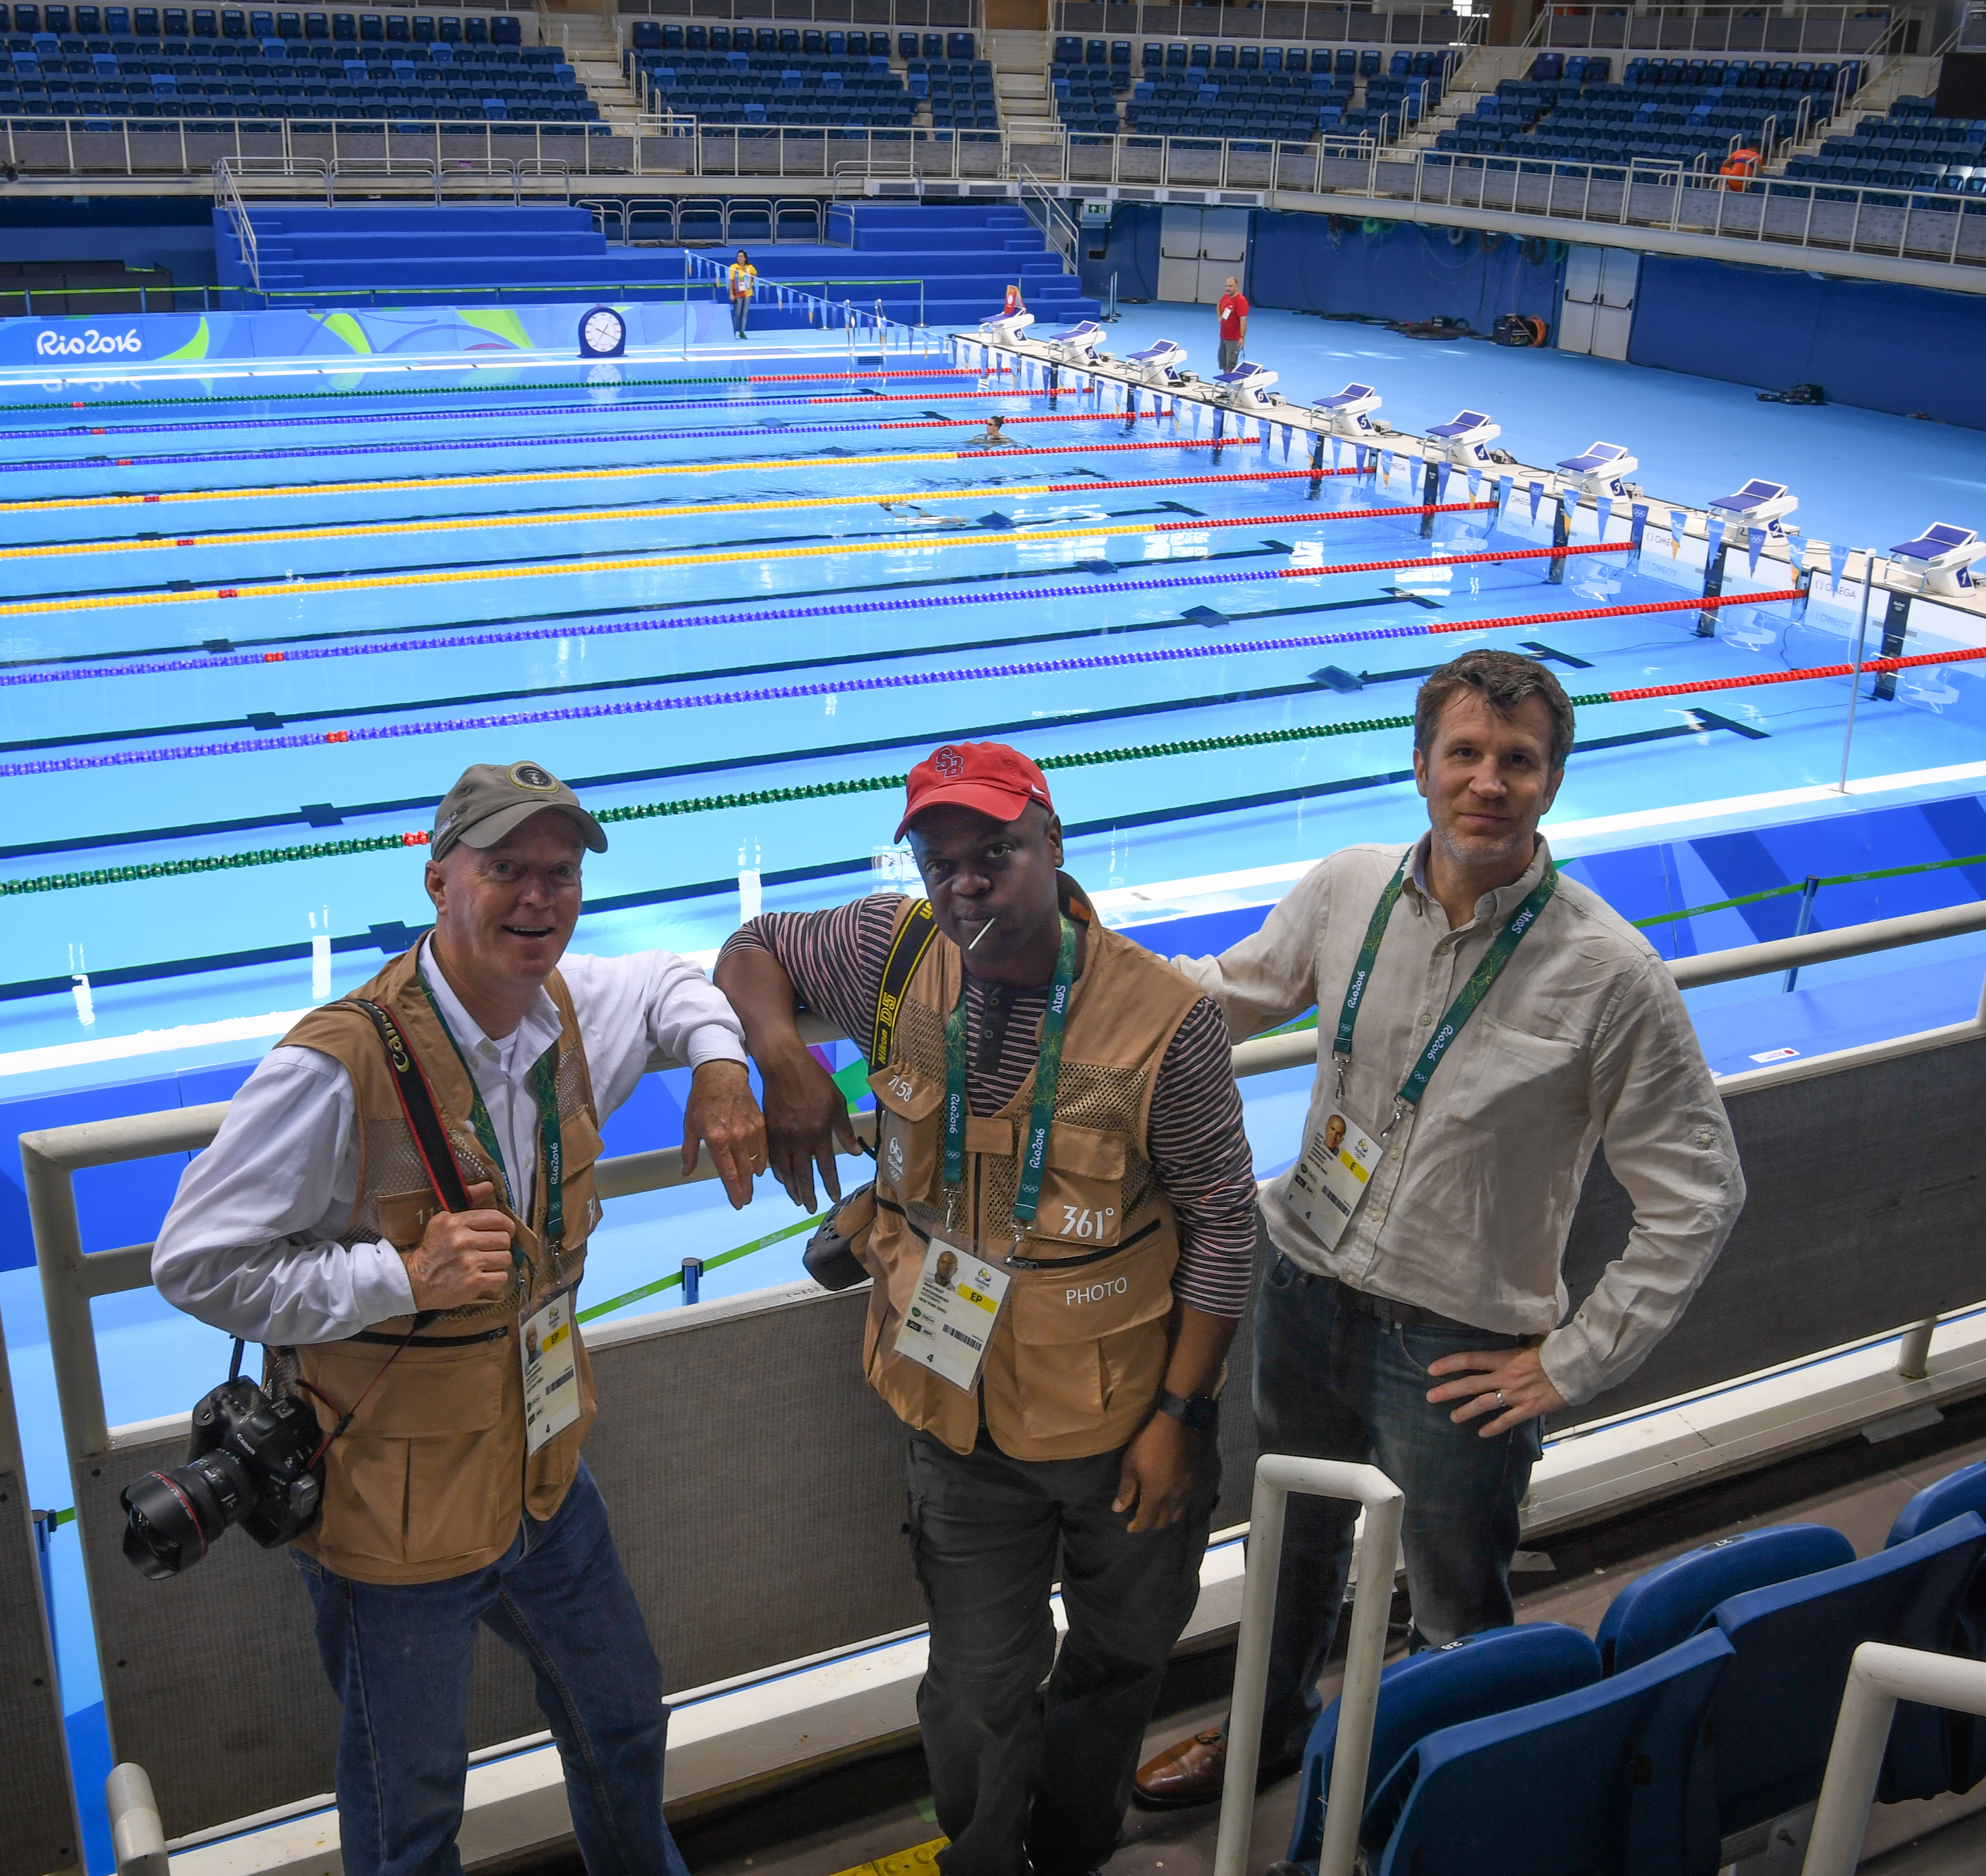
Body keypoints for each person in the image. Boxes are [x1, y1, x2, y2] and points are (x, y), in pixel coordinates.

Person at [1131, 648, 1746, 1810]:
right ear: (1421, 766)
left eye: (1517, 761)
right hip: (1304, 1290)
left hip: (1458, 1346)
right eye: (1463, 752)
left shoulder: (1608, 974)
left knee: (1456, 1595)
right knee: (1288, 1550)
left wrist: (1571, 1362)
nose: (1487, 781)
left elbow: (1698, 1190)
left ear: (1551, 785)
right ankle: (1264, 1736)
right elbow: (1232, 993)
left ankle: (1435, 1797)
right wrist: (1084, 971)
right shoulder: (1349, 886)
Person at [152, 759, 772, 1876]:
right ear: (440, 878)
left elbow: (681, 974)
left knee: (624, 1713)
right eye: (506, 871)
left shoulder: (571, 1011)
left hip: (540, 1466)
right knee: (411, 1809)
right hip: (397, 1513)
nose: (539, 898)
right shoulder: (334, 1064)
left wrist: (722, 1066)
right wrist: (398, 1276)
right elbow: (196, 1261)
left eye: (561, 872)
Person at [715, 741, 1262, 1876]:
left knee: (1119, 1660)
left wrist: (1181, 1416)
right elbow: (751, 946)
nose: (966, 881)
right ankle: (980, 1859)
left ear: (1052, 848)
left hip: (1122, 1420)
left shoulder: (1166, 1018)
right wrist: (778, 1050)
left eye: (996, 852)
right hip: (951, 1406)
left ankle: (1070, 1850)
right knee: (972, 1683)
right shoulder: (892, 946)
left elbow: (1225, 1223)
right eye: (940, 858)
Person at [1215, 274, 1250, 373]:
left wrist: (1242, 337)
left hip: (1234, 339)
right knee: (1224, 364)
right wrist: (1219, 317)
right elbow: (1219, 306)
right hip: (1223, 337)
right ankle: (1226, 386)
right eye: (1227, 286)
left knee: (1231, 366)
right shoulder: (1225, 297)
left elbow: (1243, 320)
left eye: (1230, 286)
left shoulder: (1241, 301)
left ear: (1236, 287)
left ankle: (1230, 387)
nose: (1228, 288)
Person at [727, 247, 759, 340]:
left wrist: (752, 282)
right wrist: (731, 294)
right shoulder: (733, 267)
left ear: (745, 258)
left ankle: (742, 332)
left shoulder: (750, 268)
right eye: (738, 257)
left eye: (741, 257)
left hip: (748, 293)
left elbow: (755, 274)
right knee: (737, 313)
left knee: (745, 313)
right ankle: (733, 332)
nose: (739, 258)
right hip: (737, 293)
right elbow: (731, 281)